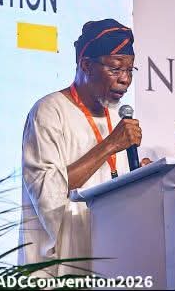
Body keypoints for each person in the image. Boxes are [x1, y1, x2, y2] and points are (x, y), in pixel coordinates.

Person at [18, 19, 143, 276]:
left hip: (110, 261)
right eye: (116, 69)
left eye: (130, 70)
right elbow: (48, 192)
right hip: (59, 268)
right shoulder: (49, 111)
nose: (125, 80)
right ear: (86, 65)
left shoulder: (116, 119)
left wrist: (141, 179)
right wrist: (110, 145)